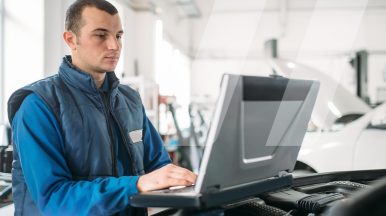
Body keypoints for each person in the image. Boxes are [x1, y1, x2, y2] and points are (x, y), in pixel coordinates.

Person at [7, 0, 197, 215]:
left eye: (118, 36)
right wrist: (136, 185)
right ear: (71, 39)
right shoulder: (39, 105)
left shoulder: (130, 100)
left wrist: (191, 182)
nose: (114, 46)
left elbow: (159, 166)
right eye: (100, 35)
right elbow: (54, 198)